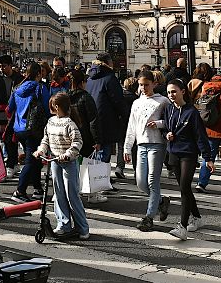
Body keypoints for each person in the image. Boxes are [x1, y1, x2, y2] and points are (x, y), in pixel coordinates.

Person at [162, 80, 213, 240]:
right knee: (185, 189)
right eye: (169, 92)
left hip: (189, 153)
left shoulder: (191, 112)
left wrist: (208, 158)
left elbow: (200, 136)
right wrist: (166, 134)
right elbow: (165, 127)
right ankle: (197, 218)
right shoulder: (169, 109)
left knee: (184, 187)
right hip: (173, 152)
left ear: (183, 91)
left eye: (174, 91)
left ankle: (182, 227)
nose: (171, 95)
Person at [35, 93, 89, 240]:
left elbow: (78, 142)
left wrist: (68, 154)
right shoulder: (50, 121)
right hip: (54, 161)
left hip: (68, 163)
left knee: (72, 195)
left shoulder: (70, 124)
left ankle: (83, 228)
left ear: (57, 107)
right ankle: (63, 224)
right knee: (58, 195)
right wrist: (41, 150)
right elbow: (46, 139)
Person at [124, 70, 170, 232]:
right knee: (140, 182)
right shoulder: (136, 102)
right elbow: (132, 125)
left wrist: (158, 124)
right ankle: (161, 202)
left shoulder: (163, 101)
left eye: (146, 85)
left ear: (154, 84)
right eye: (141, 84)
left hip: (157, 143)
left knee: (152, 180)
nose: (143, 88)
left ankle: (149, 217)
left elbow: (170, 121)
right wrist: (127, 147)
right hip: (141, 144)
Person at [85, 53, 130, 195]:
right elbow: (118, 100)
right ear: (108, 62)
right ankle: (98, 186)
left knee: (96, 152)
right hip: (106, 119)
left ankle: (102, 182)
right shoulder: (110, 78)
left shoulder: (90, 78)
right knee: (104, 152)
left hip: (91, 119)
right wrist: (126, 116)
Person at [9, 62, 50, 203]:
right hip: (33, 129)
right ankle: (20, 191)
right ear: (38, 74)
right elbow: (47, 107)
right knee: (31, 161)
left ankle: (38, 189)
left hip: (19, 128)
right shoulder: (39, 88)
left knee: (35, 159)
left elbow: (9, 108)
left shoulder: (17, 89)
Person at [0, 54, 25, 171]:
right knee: (7, 139)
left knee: (11, 139)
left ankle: (12, 164)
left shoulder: (19, 79)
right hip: (3, 112)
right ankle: (11, 162)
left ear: (10, 65)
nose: (1, 69)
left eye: (3, 66)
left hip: (16, 113)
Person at [67, 66, 98, 159]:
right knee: (84, 167)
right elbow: (93, 120)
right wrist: (96, 140)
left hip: (68, 137)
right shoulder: (86, 97)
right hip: (84, 138)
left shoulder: (65, 98)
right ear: (82, 83)